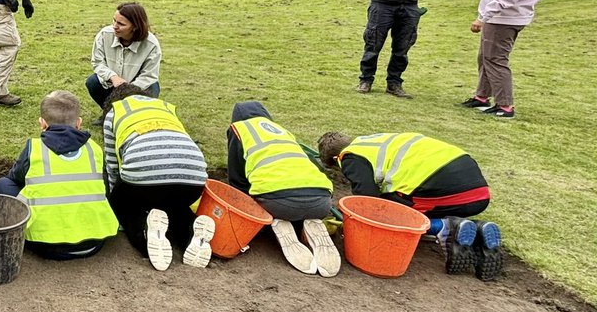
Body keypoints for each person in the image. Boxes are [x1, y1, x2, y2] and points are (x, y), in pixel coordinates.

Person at [317, 130, 503, 280]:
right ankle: (476, 230)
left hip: (441, 186)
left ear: (335, 159)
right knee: (403, 198)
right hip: (477, 194)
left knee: (384, 210)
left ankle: (444, 227)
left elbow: (368, 199)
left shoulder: (350, 156)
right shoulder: (376, 142)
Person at [0, 90, 118, 260]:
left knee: (3, 184)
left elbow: (14, 178)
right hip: (95, 242)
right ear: (79, 123)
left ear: (42, 123)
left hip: (45, 244)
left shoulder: (34, 148)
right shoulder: (94, 149)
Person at [102, 83, 212, 272]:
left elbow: (112, 166)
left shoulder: (115, 111)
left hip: (144, 175)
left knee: (127, 207)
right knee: (174, 205)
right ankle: (191, 235)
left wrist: (117, 202)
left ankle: (146, 236)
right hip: (193, 178)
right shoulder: (166, 108)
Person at [227, 102, 339, 277]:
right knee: (297, 201)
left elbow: (237, 179)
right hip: (322, 202)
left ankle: (279, 224)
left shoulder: (239, 129)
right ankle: (304, 226)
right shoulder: (282, 131)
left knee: (279, 201)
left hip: (277, 203)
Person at [85, 2, 162, 109]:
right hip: (112, 83)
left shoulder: (151, 44)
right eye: (114, 20)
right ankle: (110, 112)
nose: (114, 26)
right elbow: (97, 63)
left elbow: (149, 75)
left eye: (121, 24)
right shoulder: (104, 35)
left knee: (153, 87)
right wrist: (113, 77)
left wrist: (128, 90)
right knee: (93, 82)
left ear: (135, 27)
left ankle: (138, 113)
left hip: (138, 86)